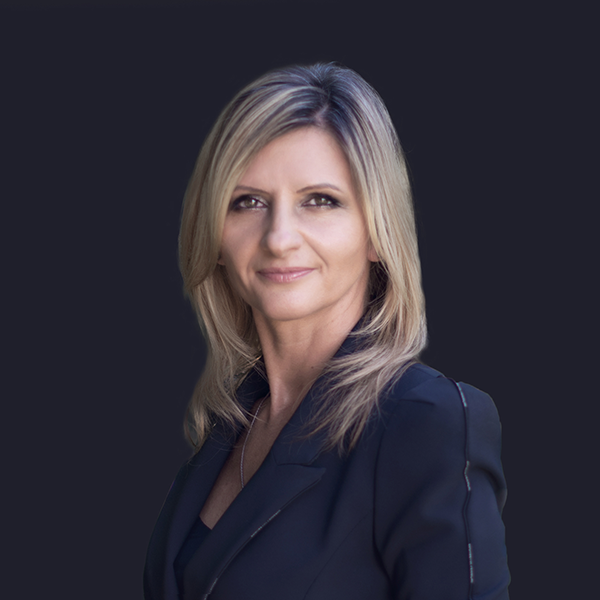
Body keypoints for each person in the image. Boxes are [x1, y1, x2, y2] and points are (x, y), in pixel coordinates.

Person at [143, 63, 510, 600]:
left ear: (376, 233)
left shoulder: (426, 423)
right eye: (248, 201)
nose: (279, 237)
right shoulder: (228, 424)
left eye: (320, 200)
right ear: (217, 238)